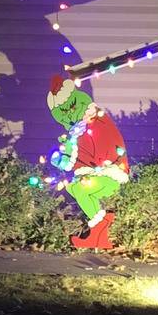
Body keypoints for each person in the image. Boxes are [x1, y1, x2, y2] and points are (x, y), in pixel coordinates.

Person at [45, 73, 130, 249]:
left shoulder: (98, 124)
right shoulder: (77, 131)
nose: (68, 119)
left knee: (80, 187)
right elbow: (71, 161)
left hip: (110, 175)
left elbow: (105, 152)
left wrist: (73, 152)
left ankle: (101, 225)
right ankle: (99, 234)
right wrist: (60, 159)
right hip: (92, 175)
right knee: (71, 186)